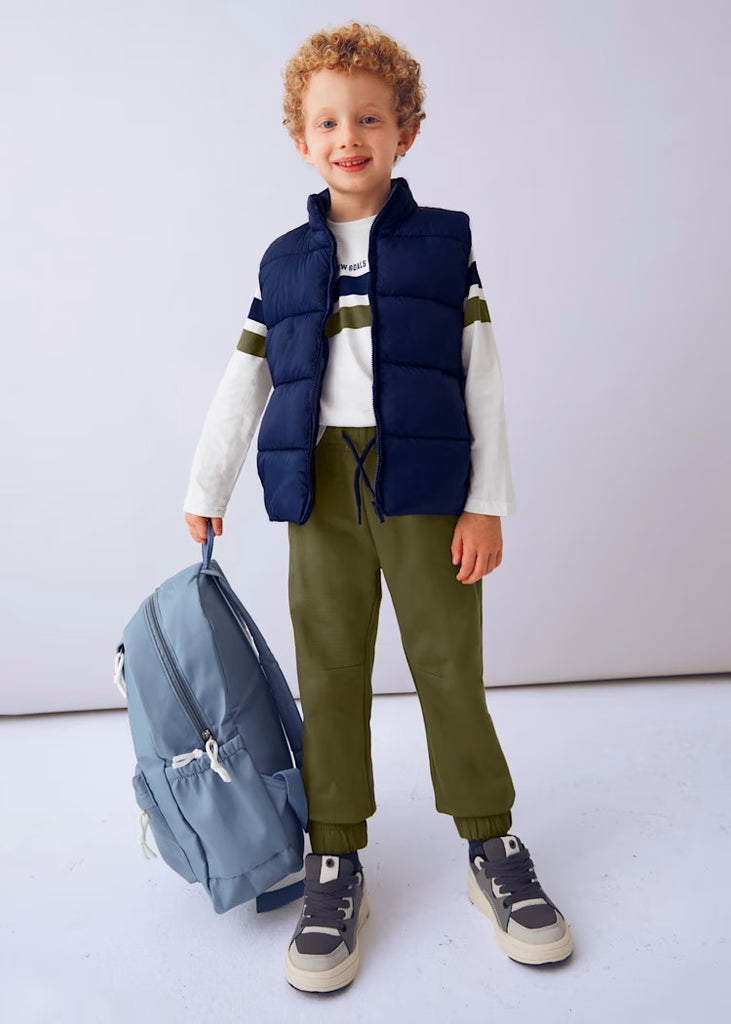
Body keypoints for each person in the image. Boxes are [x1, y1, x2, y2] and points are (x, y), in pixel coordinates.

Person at [183, 20, 573, 993]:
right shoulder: (283, 263)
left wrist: (485, 503)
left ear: (405, 130)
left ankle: (490, 844)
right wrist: (205, 486)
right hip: (319, 492)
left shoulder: (444, 248)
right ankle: (334, 856)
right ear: (299, 139)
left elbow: (482, 377)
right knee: (329, 676)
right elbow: (246, 378)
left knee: (448, 667)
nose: (347, 137)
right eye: (326, 121)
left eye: (368, 118)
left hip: (425, 491)